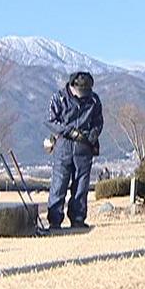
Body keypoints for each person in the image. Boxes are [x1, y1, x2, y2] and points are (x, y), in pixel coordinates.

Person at [45, 71, 103, 229]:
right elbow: (50, 120)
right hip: (64, 145)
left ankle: (78, 218)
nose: (83, 95)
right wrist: (68, 131)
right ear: (72, 86)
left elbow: (98, 121)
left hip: (84, 147)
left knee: (81, 185)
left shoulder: (94, 99)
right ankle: (55, 220)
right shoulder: (59, 98)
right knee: (59, 183)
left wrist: (92, 135)